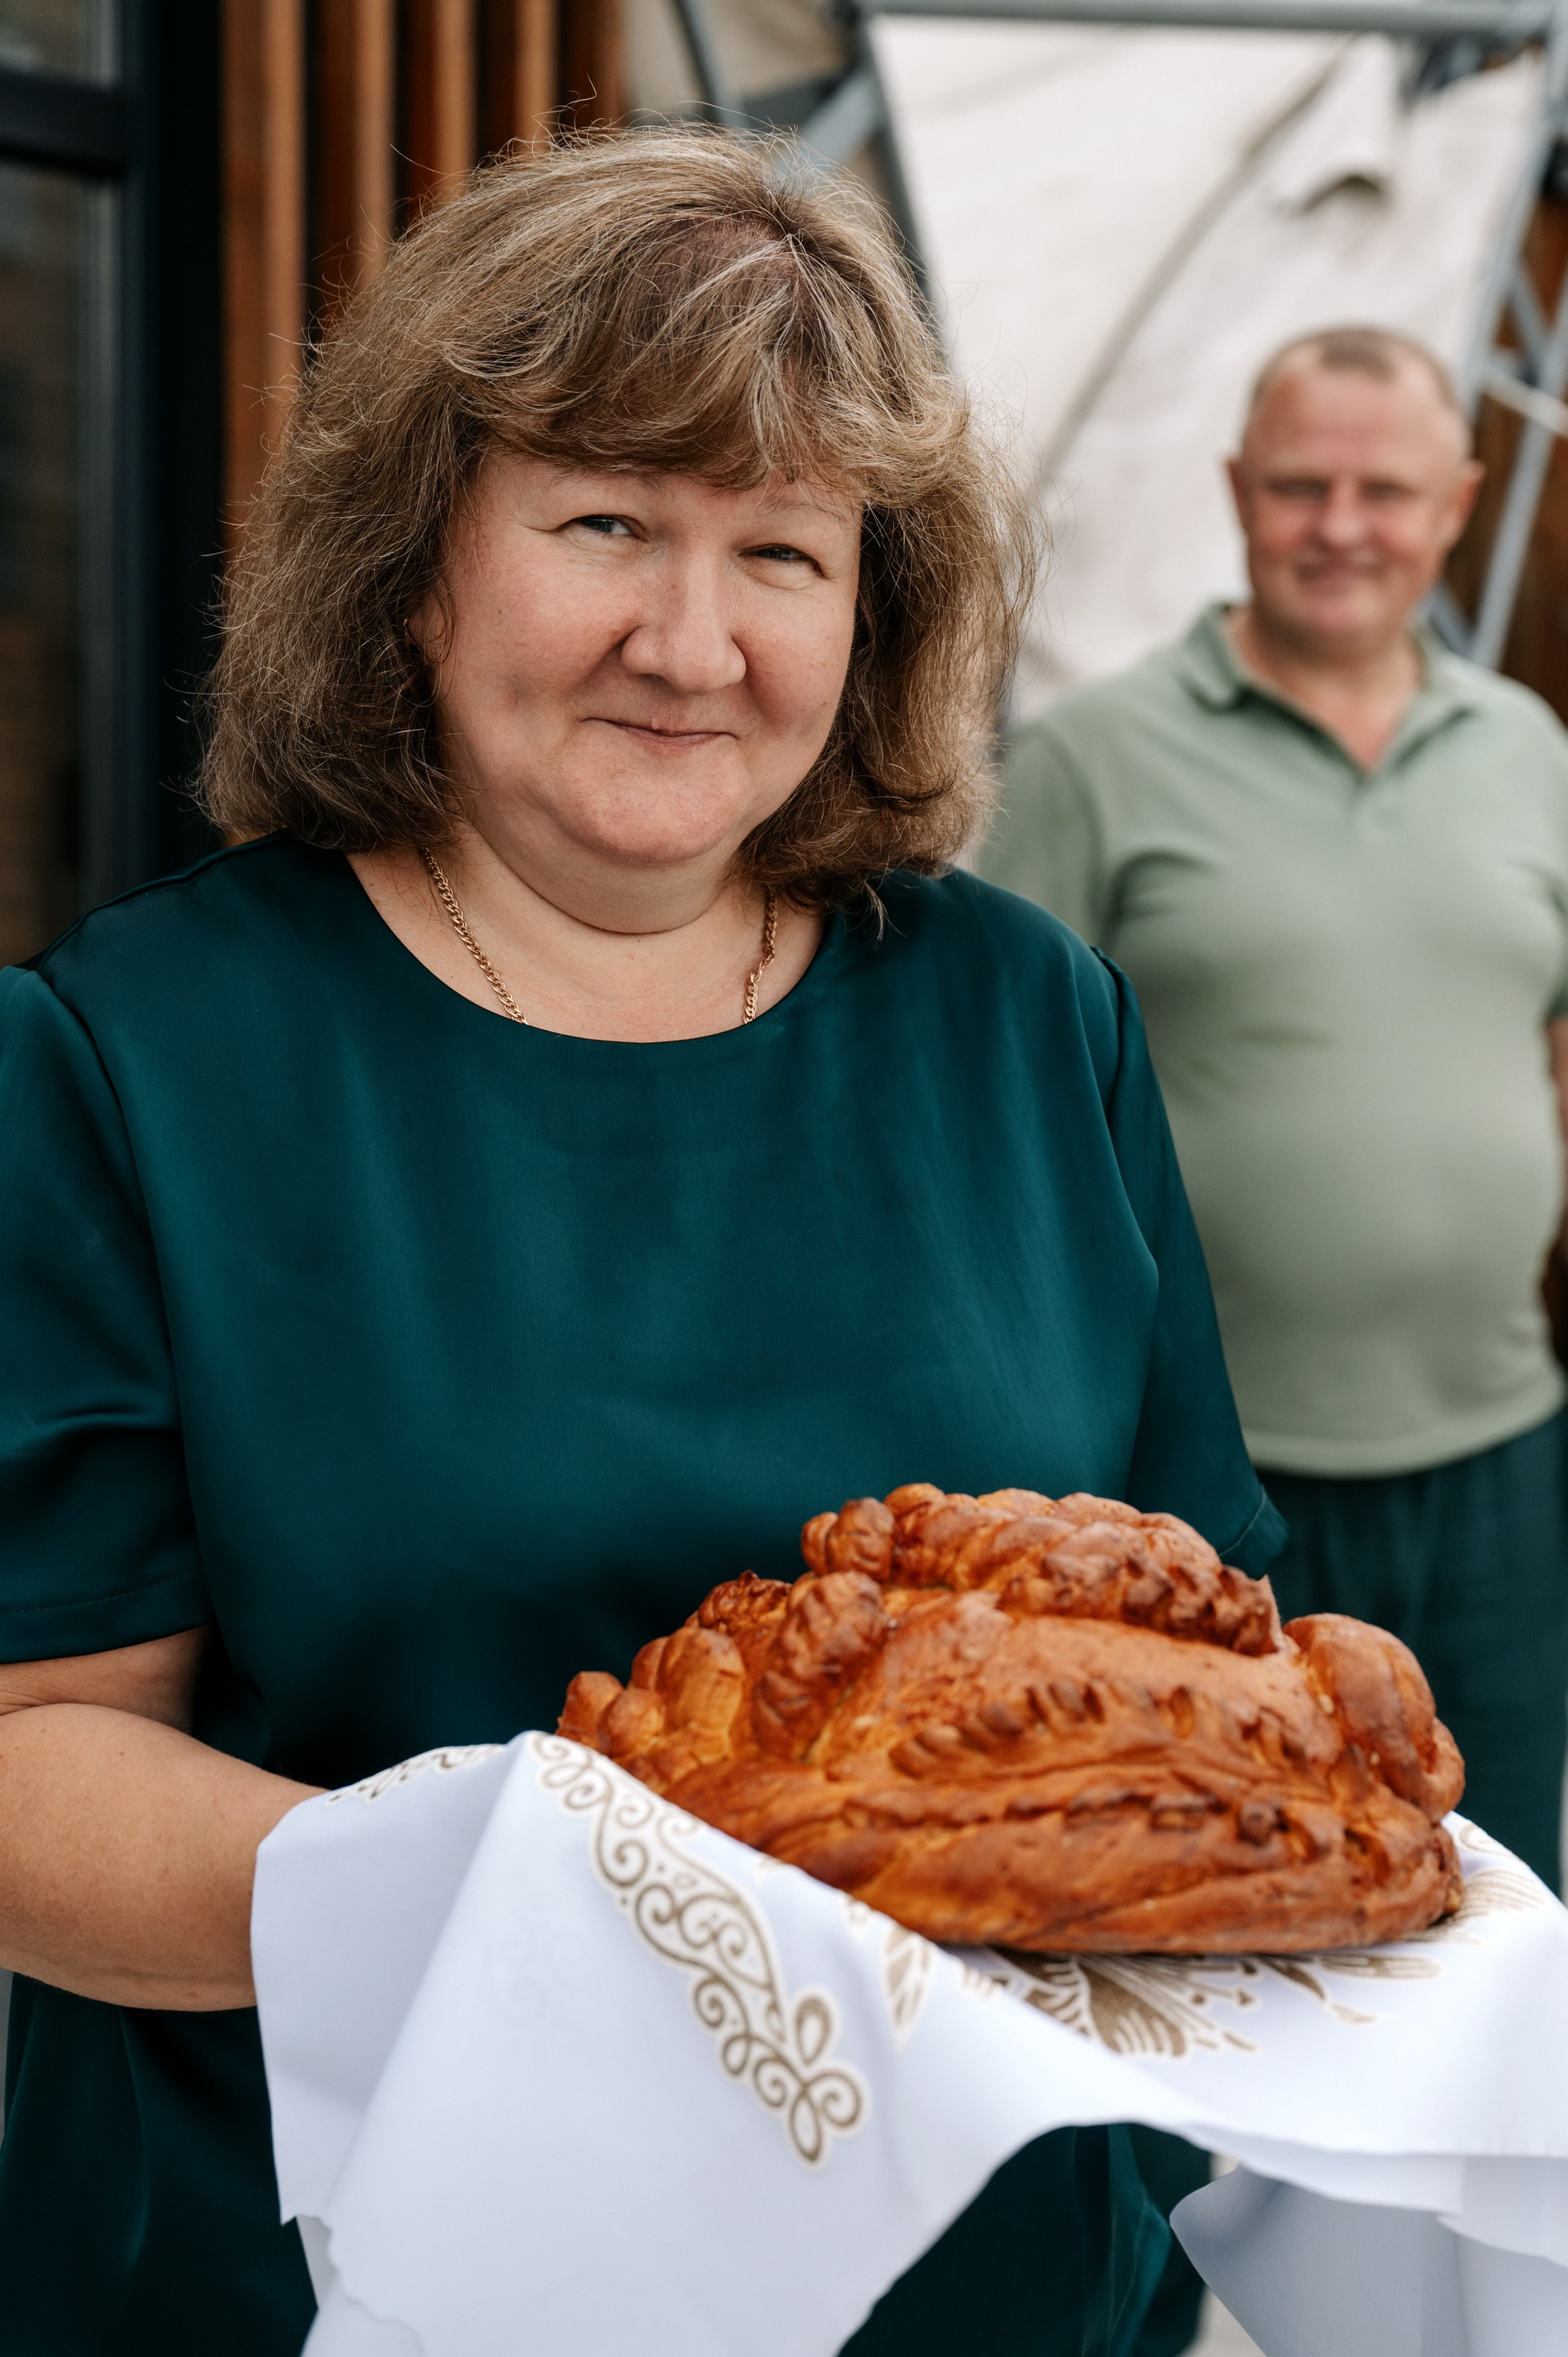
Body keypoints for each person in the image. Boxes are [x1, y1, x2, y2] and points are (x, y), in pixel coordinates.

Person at [0, 133, 1282, 2355]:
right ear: (417, 566)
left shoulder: (1028, 1020)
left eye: (781, 551)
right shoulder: (132, 1061)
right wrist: (553, 1903)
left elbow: (1218, 1647)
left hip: (975, 2297)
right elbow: (36, 1762)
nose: (692, 645)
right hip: (361, 2282)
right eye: (605, 522)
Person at [984, 324, 1568, 1894]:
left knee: (1505, 1906)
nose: (1340, 526)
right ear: (1237, 491)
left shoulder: (1526, 751)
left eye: (1384, 491)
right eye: (1301, 486)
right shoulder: (1094, 759)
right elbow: (995, 1095)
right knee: (1238, 1908)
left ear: (1456, 505)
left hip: (1501, 1455)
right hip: (1213, 1488)